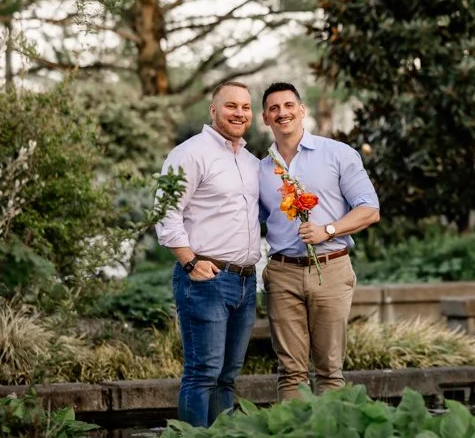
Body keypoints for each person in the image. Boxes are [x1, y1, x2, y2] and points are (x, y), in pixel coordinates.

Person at [258, 81, 380, 400]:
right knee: (290, 373)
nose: (282, 113)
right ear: (265, 118)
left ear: (302, 111)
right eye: (274, 108)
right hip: (282, 274)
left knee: (329, 370)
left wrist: (328, 230)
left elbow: (369, 209)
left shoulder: (337, 154)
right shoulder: (259, 169)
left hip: (331, 268)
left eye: (288, 106)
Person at [154, 82, 261, 427]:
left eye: (245, 107)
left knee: (227, 377)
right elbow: (165, 211)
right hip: (206, 279)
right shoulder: (191, 153)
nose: (239, 113)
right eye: (231, 106)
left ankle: (222, 435)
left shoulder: (250, 161)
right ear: (213, 110)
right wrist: (189, 261)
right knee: (202, 374)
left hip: (245, 282)